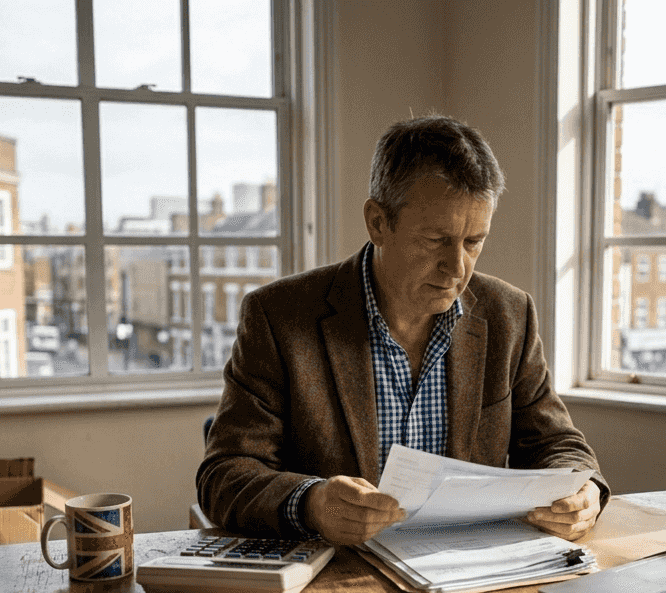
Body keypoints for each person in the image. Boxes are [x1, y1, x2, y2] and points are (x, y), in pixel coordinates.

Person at [197, 115, 608, 546]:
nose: (457, 267)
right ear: (377, 222)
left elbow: (560, 444)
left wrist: (585, 494)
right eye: (435, 240)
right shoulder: (278, 317)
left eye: (473, 242)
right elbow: (224, 475)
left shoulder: (509, 315)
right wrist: (312, 503)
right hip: (340, 575)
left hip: (469, 572)